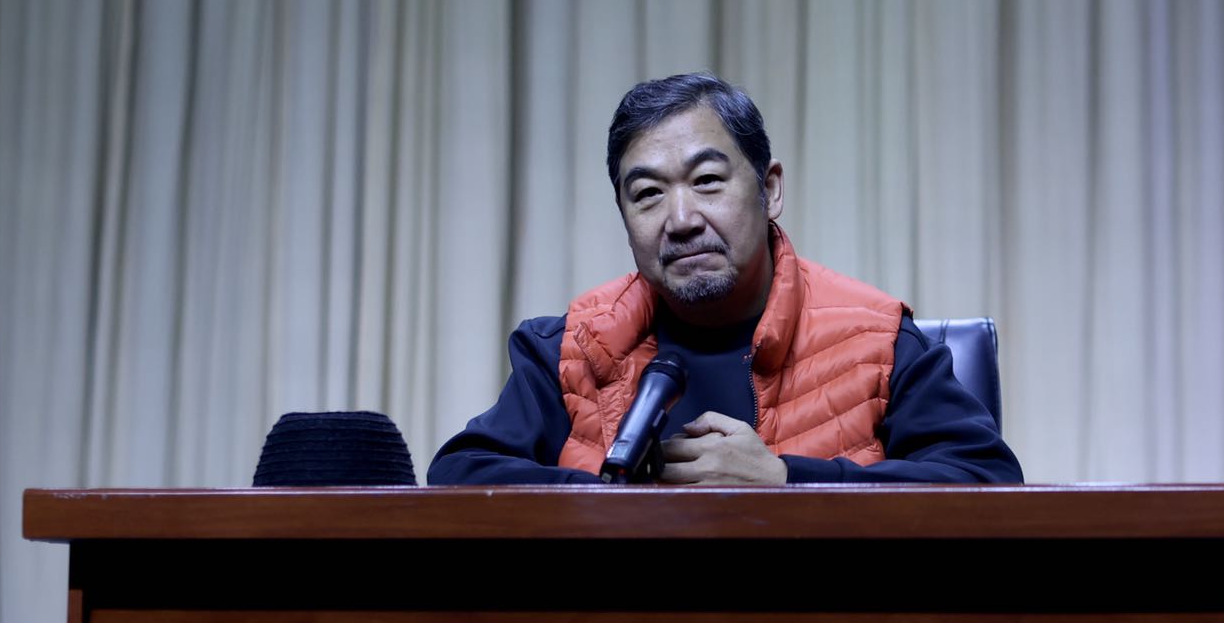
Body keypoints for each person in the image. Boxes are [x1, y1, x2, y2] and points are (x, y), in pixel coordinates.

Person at [427, 73, 1022, 485]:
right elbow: (461, 474)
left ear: (770, 189)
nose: (682, 220)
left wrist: (786, 481)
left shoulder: (878, 342)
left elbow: (985, 481)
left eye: (707, 181)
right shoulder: (571, 349)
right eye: (648, 193)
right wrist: (621, 498)